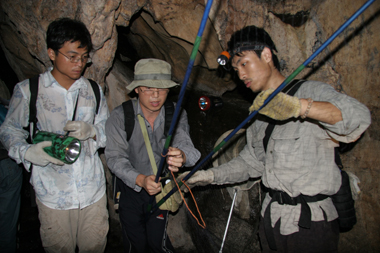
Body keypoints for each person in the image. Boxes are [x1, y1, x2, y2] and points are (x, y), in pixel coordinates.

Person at [179, 26, 371, 252]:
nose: (240, 75)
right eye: (235, 68)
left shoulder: (311, 91)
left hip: (309, 225)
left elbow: (358, 118)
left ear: (267, 55)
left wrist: (297, 107)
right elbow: (251, 163)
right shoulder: (259, 114)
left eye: (244, 63)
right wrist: (209, 176)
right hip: (271, 219)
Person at [0, 18, 109, 252]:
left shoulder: (93, 91)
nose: (79, 63)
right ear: (52, 53)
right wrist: (26, 151)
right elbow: (8, 130)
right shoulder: (29, 91)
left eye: (84, 57)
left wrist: (93, 132)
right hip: (53, 194)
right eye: (71, 56)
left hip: (93, 192)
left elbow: (107, 130)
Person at [105, 58, 201, 252]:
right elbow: (115, 158)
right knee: (135, 245)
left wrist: (181, 155)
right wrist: (140, 179)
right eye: (148, 88)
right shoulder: (120, 116)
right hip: (131, 189)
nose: (156, 95)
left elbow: (190, 150)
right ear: (137, 89)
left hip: (162, 189)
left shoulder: (176, 113)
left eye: (162, 88)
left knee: (158, 243)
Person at [0, 97, 23, 253]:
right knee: (7, 218)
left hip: (5, 164)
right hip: (5, 162)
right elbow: (9, 125)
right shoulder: (2, 109)